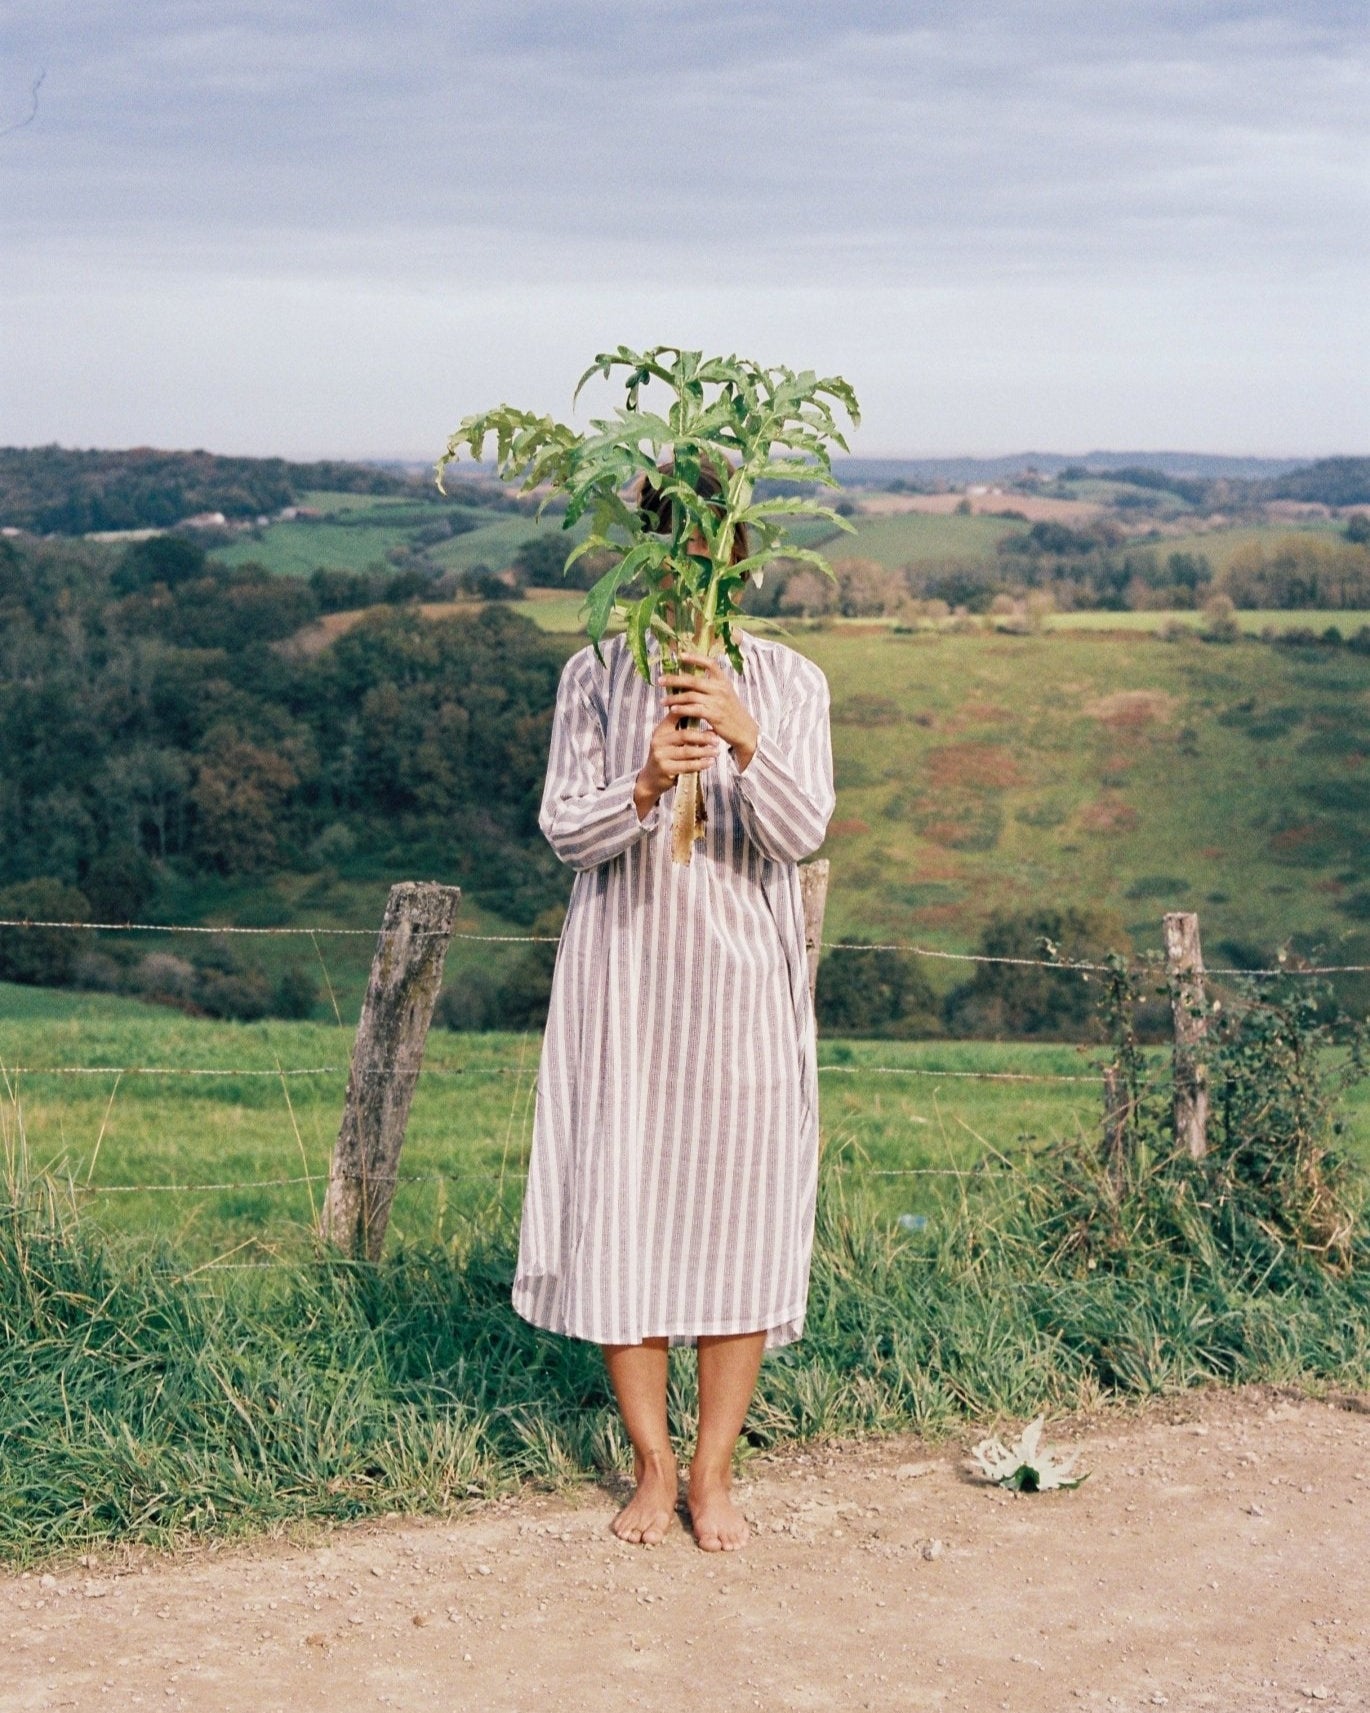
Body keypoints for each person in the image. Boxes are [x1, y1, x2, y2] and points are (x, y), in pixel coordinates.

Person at [511, 473, 835, 1551]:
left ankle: (714, 1474)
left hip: (741, 990)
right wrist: (644, 784)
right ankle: (650, 1468)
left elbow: (798, 834)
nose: (689, 563)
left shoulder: (788, 681)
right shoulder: (596, 674)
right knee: (629, 1214)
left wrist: (746, 739)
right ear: (645, 554)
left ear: (735, 555)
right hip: (626, 983)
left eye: (709, 546)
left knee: (739, 1218)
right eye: (669, 544)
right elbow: (564, 829)